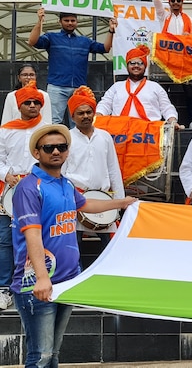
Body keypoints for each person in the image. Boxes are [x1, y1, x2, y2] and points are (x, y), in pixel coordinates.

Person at [11, 124, 135, 368]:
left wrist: (123, 203)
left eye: (62, 147)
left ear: (68, 152)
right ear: (37, 153)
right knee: (40, 356)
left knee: (53, 355)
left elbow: (86, 205)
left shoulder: (65, 184)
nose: (56, 151)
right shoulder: (28, 188)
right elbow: (32, 236)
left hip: (67, 281)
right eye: (49, 148)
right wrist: (42, 278)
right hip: (38, 285)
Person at [0, 81, 46, 310]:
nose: (31, 105)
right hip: (9, 190)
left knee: (41, 235)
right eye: (27, 102)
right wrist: (6, 175)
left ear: (40, 105)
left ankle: (42, 280)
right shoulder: (6, 130)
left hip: (40, 189)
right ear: (19, 106)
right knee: (5, 241)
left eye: (35, 102)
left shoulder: (48, 130)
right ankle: (4, 288)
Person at [62, 86, 124, 257]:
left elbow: (113, 170)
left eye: (89, 112)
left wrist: (119, 202)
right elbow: (62, 172)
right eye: (80, 113)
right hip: (76, 200)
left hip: (103, 200)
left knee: (110, 249)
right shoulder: (66, 137)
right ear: (73, 116)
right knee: (73, 249)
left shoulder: (104, 137)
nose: (86, 116)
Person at [27, 8, 117, 125]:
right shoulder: (52, 37)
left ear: (77, 22)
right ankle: (55, 143)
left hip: (78, 89)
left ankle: (76, 144)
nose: (70, 23)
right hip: (57, 87)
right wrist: (39, 21)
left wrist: (111, 30)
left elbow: (105, 48)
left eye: (73, 20)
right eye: (66, 20)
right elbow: (32, 41)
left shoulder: (84, 41)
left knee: (79, 122)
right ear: (60, 22)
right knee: (54, 121)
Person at [152, 0, 192, 129]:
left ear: (182, 2)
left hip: (184, 60)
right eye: (172, 1)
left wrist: (190, 37)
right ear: (169, 2)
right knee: (163, 91)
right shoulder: (164, 16)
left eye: (178, 0)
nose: (175, 3)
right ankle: (162, 119)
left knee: (189, 91)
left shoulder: (189, 19)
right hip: (166, 59)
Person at [95, 45, 179, 125]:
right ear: (127, 66)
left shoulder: (155, 87)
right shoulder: (116, 87)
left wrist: (172, 120)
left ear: (145, 66)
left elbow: (166, 107)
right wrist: (98, 116)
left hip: (148, 132)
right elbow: (105, 104)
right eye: (132, 63)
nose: (136, 66)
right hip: (120, 132)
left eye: (140, 63)